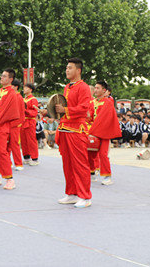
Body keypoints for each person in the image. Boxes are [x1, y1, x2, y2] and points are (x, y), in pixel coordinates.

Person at [55, 58, 92, 208]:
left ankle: (85, 196)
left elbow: (84, 109)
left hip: (77, 129)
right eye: (66, 68)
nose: (67, 70)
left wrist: (65, 111)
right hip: (65, 128)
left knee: (80, 164)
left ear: (78, 70)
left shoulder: (83, 87)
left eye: (70, 68)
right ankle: (72, 193)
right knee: (68, 164)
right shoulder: (67, 87)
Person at [87, 81, 121, 185]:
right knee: (89, 152)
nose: (95, 90)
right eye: (95, 88)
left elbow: (104, 119)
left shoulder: (108, 103)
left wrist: (93, 129)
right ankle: (91, 173)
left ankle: (107, 176)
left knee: (103, 154)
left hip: (103, 133)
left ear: (104, 90)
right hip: (93, 131)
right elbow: (89, 118)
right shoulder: (92, 102)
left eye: (98, 88)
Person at [8, 79, 25, 170]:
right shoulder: (11, 96)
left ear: (15, 87)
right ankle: (8, 163)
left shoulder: (18, 97)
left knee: (14, 144)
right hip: (9, 123)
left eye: (11, 86)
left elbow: (19, 112)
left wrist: (16, 123)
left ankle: (18, 164)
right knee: (7, 144)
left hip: (15, 124)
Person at [21, 83, 40, 165]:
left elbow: (34, 112)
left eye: (26, 88)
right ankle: (26, 157)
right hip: (22, 121)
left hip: (30, 121)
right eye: (24, 88)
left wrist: (25, 111)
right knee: (23, 140)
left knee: (31, 140)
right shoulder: (23, 99)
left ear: (30, 90)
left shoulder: (33, 100)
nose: (24, 89)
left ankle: (35, 158)